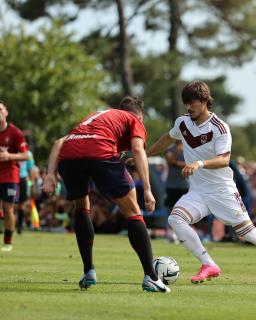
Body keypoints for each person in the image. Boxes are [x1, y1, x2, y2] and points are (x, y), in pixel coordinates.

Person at [147, 81, 256, 286]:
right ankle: (208, 264)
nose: (188, 107)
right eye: (186, 103)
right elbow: (168, 137)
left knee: (251, 235)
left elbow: (224, 159)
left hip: (223, 192)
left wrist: (199, 163)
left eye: (192, 102)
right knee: (176, 219)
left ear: (204, 101)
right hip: (198, 192)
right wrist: (145, 154)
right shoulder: (183, 122)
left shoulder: (219, 127)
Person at [42, 96, 170, 293]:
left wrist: (50, 175)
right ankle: (151, 278)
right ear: (140, 117)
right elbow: (137, 149)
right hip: (99, 152)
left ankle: (88, 272)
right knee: (133, 211)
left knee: (82, 208)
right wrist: (147, 189)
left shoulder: (98, 116)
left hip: (70, 155)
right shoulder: (134, 119)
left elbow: (60, 141)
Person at [0, 100, 29, 252]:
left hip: (10, 175)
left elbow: (26, 155)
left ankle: (8, 242)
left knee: (8, 208)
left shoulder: (15, 133)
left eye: (0, 109)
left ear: (6, 112)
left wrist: (8, 156)